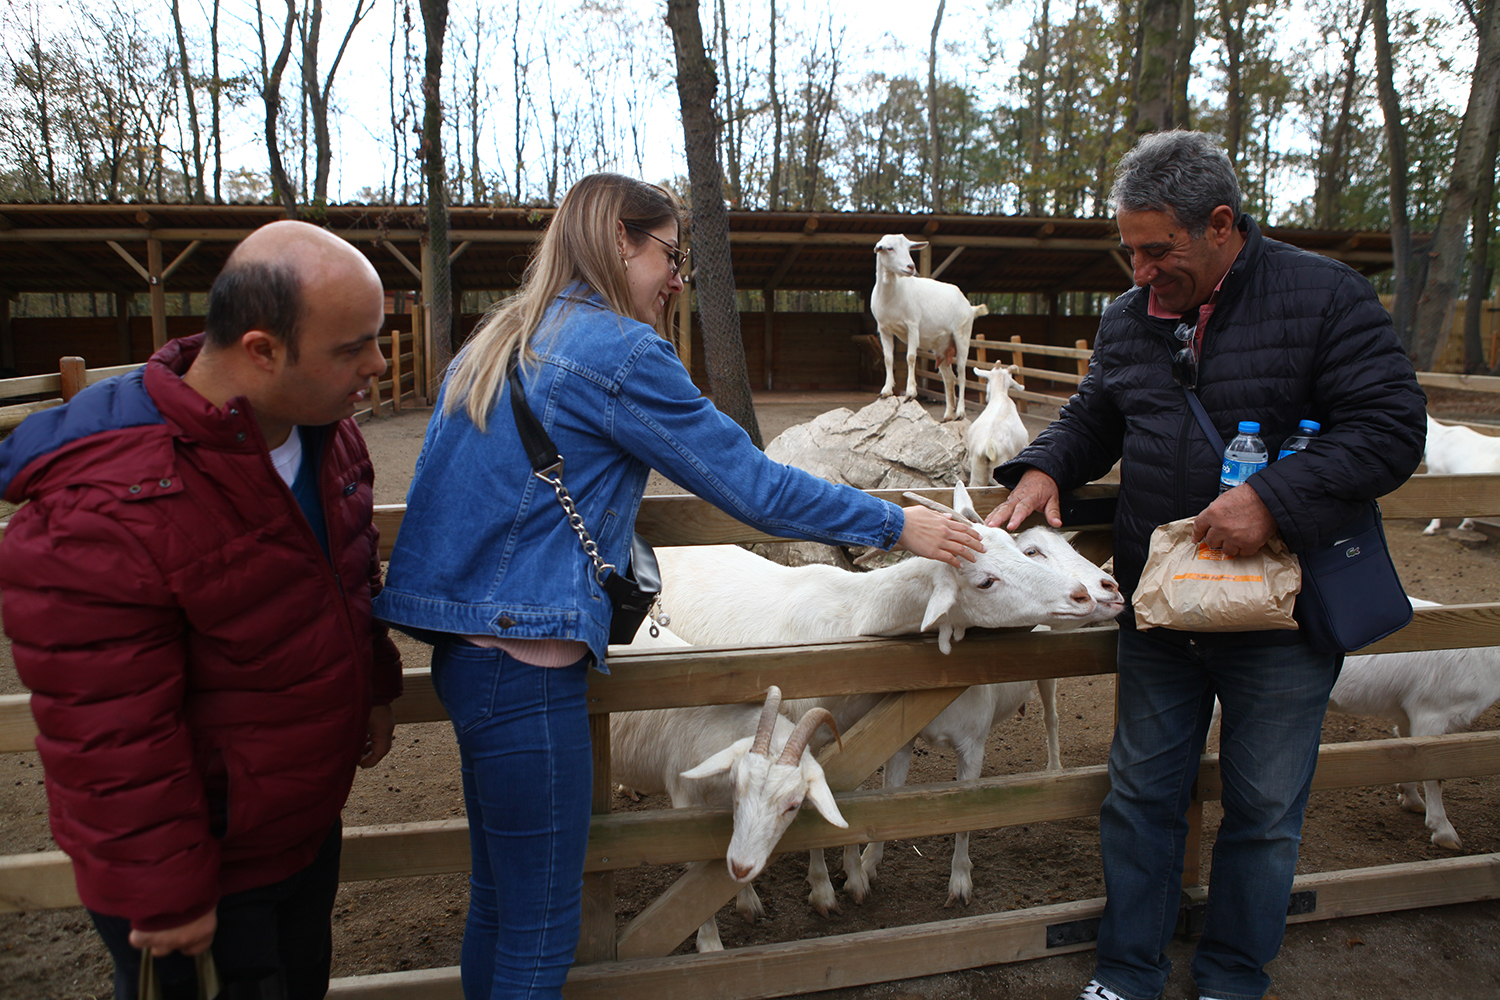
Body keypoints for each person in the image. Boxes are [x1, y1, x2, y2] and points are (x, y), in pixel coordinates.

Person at [373, 172, 984, 1000]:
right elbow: (753, 485)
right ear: (620, 241)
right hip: (530, 662)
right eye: (669, 254)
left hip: (467, 659)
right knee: (540, 929)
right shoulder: (618, 351)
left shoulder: (506, 337)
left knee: (501, 904)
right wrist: (894, 524)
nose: (676, 277)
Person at [987, 131, 1425, 1000]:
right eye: (1130, 250)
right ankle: (1126, 975)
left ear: (1220, 224)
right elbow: (1098, 414)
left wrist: (1276, 499)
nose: (1141, 271)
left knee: (1263, 812)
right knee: (1141, 796)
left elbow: (1388, 428)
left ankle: (1232, 977)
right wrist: (1044, 466)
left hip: (1280, 616)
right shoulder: (1128, 316)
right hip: (1162, 611)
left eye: (1158, 250)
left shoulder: (1326, 297)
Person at [0, 221, 403, 1000]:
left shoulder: (328, 439)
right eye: (353, 347)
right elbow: (108, 723)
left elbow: (345, 577)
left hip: (297, 828)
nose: (378, 365)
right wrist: (161, 888)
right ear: (261, 350)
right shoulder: (109, 504)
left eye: (378, 339)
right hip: (203, 868)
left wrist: (376, 683)